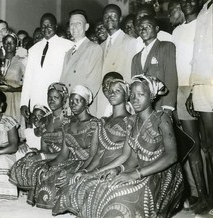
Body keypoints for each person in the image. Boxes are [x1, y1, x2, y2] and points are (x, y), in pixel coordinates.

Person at [69, 75, 183, 218]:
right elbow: (130, 159)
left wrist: (135, 174)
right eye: (133, 95)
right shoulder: (131, 121)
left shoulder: (161, 118)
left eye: (141, 94)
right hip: (139, 169)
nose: (135, 99)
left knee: (120, 197)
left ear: (152, 96)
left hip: (161, 174)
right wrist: (113, 170)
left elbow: (172, 156)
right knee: (101, 185)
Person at [52, 75, 130, 216]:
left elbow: (127, 156)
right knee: (75, 183)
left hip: (119, 167)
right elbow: (97, 154)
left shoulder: (131, 120)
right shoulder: (103, 122)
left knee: (93, 190)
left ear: (127, 95)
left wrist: (94, 172)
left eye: (117, 91)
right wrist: (85, 171)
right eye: (109, 90)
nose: (111, 93)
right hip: (100, 166)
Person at [29, 85, 99, 209]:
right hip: (71, 161)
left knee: (63, 179)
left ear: (86, 103)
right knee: (46, 173)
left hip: (89, 165)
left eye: (78, 100)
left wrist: (78, 172)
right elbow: (63, 155)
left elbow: (94, 155)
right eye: (71, 101)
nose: (73, 104)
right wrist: (48, 164)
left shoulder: (95, 124)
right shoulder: (67, 125)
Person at [172, 0, 209, 213]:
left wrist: (195, 90)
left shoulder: (205, 24)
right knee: (192, 147)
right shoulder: (176, 31)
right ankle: (202, 196)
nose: (187, 3)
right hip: (182, 90)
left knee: (207, 147)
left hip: (203, 87)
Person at [9, 83, 69, 192]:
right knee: (23, 163)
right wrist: (36, 153)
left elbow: (66, 153)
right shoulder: (45, 120)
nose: (51, 100)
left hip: (65, 158)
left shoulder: (68, 120)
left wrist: (41, 157)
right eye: (49, 97)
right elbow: (44, 149)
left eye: (56, 97)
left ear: (64, 99)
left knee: (41, 169)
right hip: (49, 156)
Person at [20, 13, 73, 121]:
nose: (46, 28)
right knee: (36, 134)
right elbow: (28, 79)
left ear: (56, 26)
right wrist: (24, 103)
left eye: (49, 25)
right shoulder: (33, 49)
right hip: (36, 101)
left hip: (57, 101)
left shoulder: (68, 46)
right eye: (43, 26)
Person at [187, 0, 213, 215]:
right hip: (202, 85)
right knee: (208, 146)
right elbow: (198, 52)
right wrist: (193, 89)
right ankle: (211, 199)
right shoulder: (204, 10)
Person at [132, 15, 178, 114]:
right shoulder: (136, 58)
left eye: (148, 26)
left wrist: (168, 107)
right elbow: (135, 85)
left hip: (161, 105)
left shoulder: (166, 47)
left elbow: (171, 77)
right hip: (143, 109)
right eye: (141, 27)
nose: (143, 29)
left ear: (156, 29)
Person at [96, 4, 137, 117]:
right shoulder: (101, 46)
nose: (109, 19)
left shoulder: (130, 42)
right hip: (102, 100)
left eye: (113, 16)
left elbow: (131, 76)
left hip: (120, 102)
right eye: (106, 16)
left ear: (120, 19)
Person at [60, 9, 103, 115]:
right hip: (67, 108)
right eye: (71, 24)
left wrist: (75, 103)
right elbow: (63, 82)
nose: (74, 27)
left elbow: (93, 83)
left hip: (82, 108)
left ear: (86, 27)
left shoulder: (94, 49)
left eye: (78, 23)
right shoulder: (68, 53)